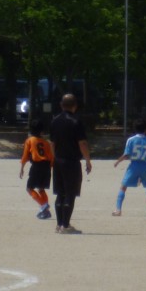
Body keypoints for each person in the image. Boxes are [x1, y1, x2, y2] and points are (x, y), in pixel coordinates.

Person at [49, 93, 92, 234]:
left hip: (58, 160)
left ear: (61, 105)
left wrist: (55, 158)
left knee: (60, 193)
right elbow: (82, 143)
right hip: (71, 161)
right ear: (75, 106)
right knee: (70, 193)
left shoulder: (54, 121)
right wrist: (87, 160)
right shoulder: (76, 122)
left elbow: (52, 143)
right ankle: (66, 225)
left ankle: (59, 224)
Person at [113, 118, 146, 216]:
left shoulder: (131, 140)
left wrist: (117, 162)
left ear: (135, 129)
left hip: (134, 165)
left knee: (123, 187)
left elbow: (126, 155)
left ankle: (118, 209)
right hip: (145, 166)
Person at [19, 119, 54, 219]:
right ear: (41, 131)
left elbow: (25, 156)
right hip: (46, 166)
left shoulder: (30, 140)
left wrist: (22, 168)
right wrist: (50, 168)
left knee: (29, 188)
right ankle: (45, 211)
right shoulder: (46, 142)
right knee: (41, 189)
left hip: (36, 166)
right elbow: (51, 157)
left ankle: (43, 205)